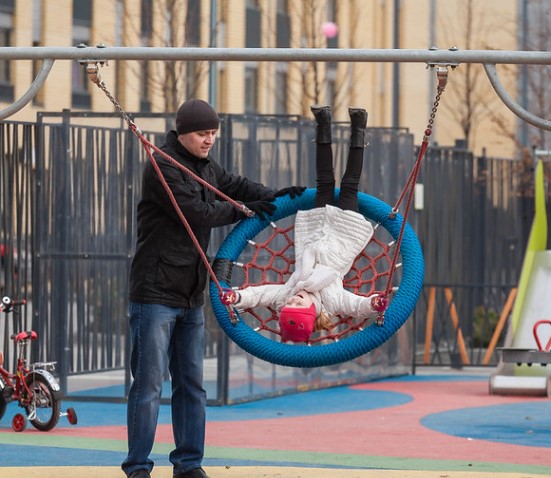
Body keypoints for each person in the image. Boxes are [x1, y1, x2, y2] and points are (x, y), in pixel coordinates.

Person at [122, 99, 304, 478]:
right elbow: (198, 212)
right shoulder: (162, 166)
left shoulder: (205, 166)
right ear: (183, 133)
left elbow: (235, 184)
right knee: (150, 385)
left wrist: (275, 196)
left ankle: (188, 464)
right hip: (155, 291)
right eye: (203, 134)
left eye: (213, 133)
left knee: (191, 384)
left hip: (190, 292)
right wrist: (243, 209)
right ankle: (138, 466)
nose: (210, 140)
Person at [220, 105, 388, 343]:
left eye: (289, 303)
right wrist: (374, 304)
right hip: (343, 235)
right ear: (312, 310)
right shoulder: (331, 301)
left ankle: (323, 123)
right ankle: (359, 127)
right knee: (350, 185)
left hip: (315, 231)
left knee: (324, 182)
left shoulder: (286, 293)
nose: (293, 297)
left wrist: (236, 298)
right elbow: (357, 305)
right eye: (298, 302)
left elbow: (261, 294)